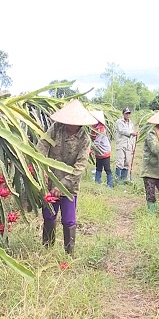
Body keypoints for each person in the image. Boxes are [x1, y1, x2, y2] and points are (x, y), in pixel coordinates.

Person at [36, 99, 97, 255]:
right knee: (49, 215)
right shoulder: (56, 128)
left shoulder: (85, 139)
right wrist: (40, 167)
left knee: (69, 220)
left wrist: (61, 185)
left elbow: (80, 167)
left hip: (69, 186)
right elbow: (43, 144)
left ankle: (69, 254)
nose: (70, 123)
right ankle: (47, 249)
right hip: (50, 180)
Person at [90, 110, 113, 188]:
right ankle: (97, 182)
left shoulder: (101, 128)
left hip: (104, 151)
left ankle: (110, 184)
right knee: (98, 167)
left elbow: (97, 141)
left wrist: (91, 150)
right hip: (98, 152)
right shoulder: (93, 127)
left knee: (107, 169)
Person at [115, 107, 137, 181]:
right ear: (123, 114)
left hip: (129, 145)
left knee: (127, 162)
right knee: (120, 161)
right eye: (126, 113)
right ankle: (117, 179)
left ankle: (123, 179)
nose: (128, 115)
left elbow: (133, 136)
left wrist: (133, 147)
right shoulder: (119, 122)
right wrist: (131, 133)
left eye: (129, 113)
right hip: (121, 144)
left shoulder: (131, 123)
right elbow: (122, 131)